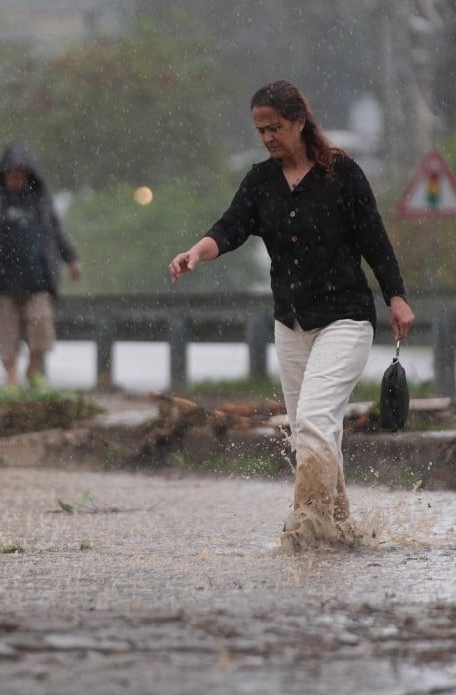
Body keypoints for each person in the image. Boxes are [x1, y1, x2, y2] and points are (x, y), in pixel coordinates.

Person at [167, 80, 415, 552]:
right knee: (310, 432)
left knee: (316, 421)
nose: (266, 137)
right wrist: (196, 253)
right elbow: (230, 227)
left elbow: (374, 240)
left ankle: (305, 524)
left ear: (300, 121)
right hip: (292, 325)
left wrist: (396, 296)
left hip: (345, 318)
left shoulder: (341, 174)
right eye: (260, 130)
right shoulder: (261, 182)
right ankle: (340, 528)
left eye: (275, 127)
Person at [0, 143, 81, 389]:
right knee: (6, 332)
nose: (16, 177)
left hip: (37, 276)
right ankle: (11, 378)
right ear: (3, 172)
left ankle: (33, 368)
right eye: (11, 172)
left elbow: (55, 230)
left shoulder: (39, 196)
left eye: (21, 173)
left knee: (41, 322)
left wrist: (71, 258)